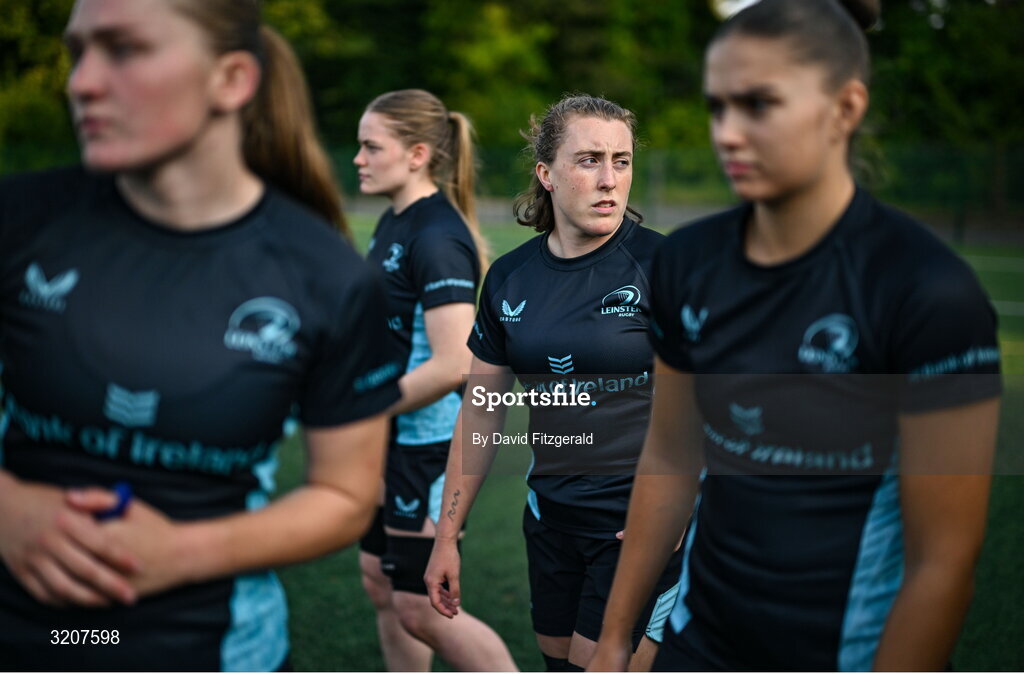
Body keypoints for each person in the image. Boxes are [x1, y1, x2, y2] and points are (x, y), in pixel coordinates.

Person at [589, 0, 1002, 671]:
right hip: (696, 645)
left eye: (760, 105)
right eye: (719, 106)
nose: (727, 132)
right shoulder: (688, 264)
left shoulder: (929, 292)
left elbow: (942, 562)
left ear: (845, 109)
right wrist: (613, 642)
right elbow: (668, 457)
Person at [0, 0, 402, 670]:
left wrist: (182, 553)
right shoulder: (19, 221)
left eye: (124, 49)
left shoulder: (328, 279)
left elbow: (345, 496)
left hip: (216, 649)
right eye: (77, 53)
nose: (82, 82)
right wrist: (8, 509)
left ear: (232, 80)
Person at [424, 94, 682, 673]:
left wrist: (677, 510)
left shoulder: (665, 268)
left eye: (622, 160)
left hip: (634, 528)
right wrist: (447, 536)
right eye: (589, 160)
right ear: (546, 174)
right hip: (550, 521)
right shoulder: (510, 277)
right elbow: (482, 410)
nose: (610, 180)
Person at [352, 89, 517, 672]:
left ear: (418, 153)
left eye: (372, 146)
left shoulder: (436, 236)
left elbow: (455, 364)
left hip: (427, 446)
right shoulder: (394, 221)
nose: (358, 158)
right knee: (380, 581)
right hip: (389, 436)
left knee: (421, 606)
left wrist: (359, 404)